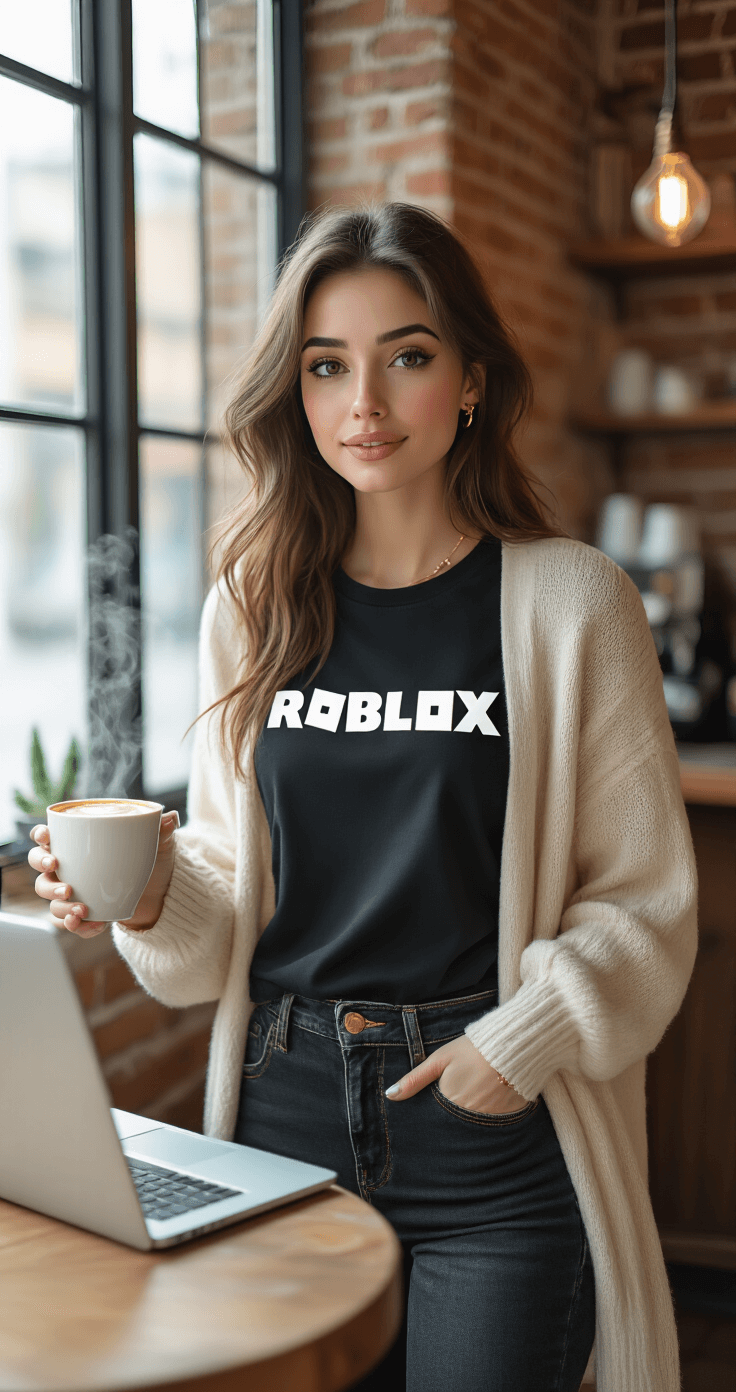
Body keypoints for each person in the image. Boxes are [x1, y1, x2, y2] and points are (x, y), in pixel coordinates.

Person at [29, 202, 698, 1392]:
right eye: (327, 366)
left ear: (472, 380)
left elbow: (645, 907)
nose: (364, 404)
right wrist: (150, 897)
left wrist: (517, 1046)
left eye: (408, 356)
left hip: (487, 1127)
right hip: (278, 1115)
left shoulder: (571, 604)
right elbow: (220, 920)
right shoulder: (255, 604)